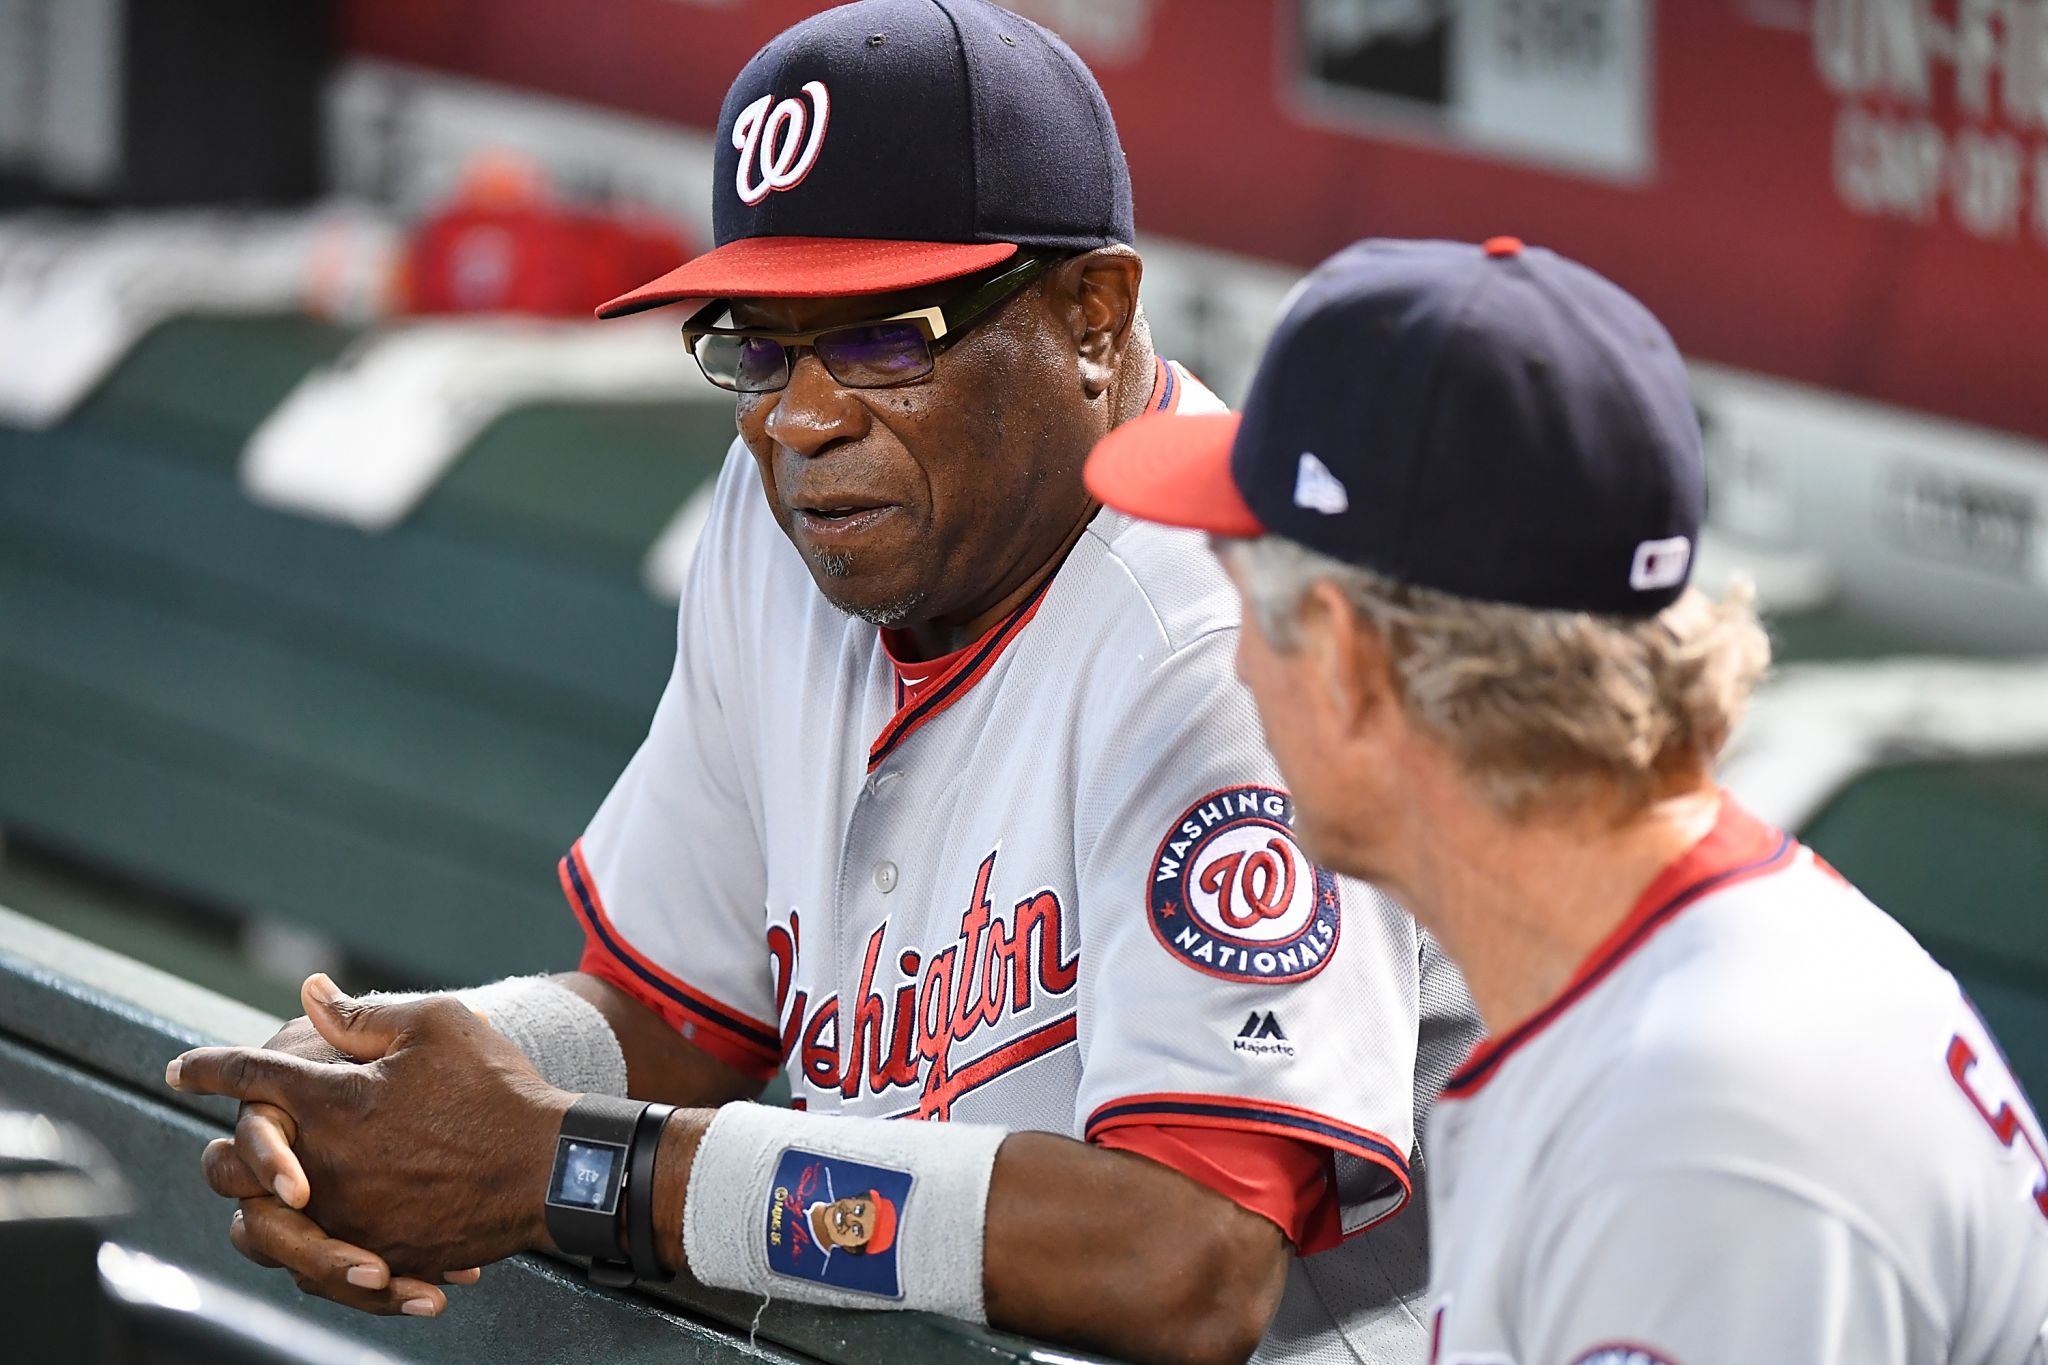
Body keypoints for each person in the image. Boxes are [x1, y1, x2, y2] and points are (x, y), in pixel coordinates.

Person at [165, 6, 1479, 1364]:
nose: (800, 418)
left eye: (882, 339)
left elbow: (1186, 1261)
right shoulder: (784, 505)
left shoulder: (1229, 639)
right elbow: (681, 1017)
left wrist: (577, 1169)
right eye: (759, 346)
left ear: (1093, 318)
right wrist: (381, 1095)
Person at [1083, 234, 2048, 1363]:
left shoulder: (1698, 1128)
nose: (1238, 667)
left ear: (1344, 658)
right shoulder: (1666, 984)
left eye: (1243, 602)